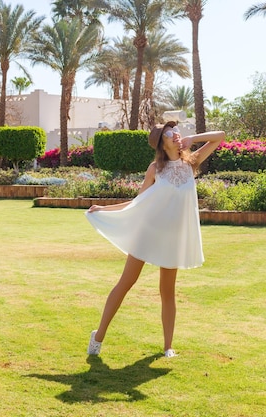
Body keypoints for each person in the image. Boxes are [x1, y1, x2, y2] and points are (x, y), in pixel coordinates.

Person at [85, 121, 225, 358]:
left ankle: (168, 347)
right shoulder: (155, 169)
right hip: (148, 232)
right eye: (169, 133)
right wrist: (104, 209)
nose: (175, 134)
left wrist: (193, 138)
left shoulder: (191, 163)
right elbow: (137, 202)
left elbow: (220, 136)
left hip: (172, 238)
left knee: (167, 291)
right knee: (126, 283)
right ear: (161, 142)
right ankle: (98, 336)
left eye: (175, 131)